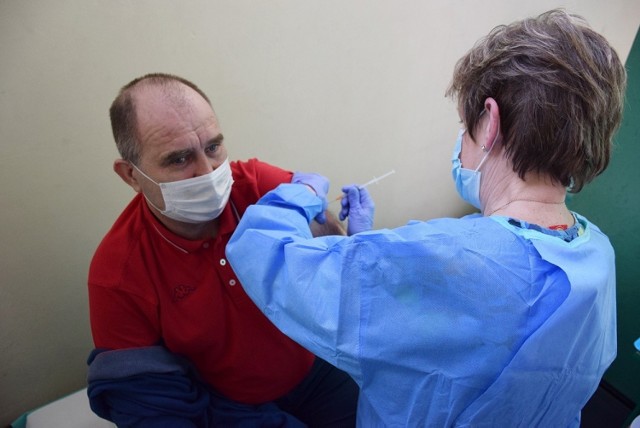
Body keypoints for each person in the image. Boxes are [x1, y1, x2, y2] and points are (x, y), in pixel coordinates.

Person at [226, 9, 627, 427]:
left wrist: (301, 191)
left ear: (489, 121)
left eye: (464, 126)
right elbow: (459, 329)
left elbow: (265, 258)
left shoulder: (450, 258)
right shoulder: (595, 253)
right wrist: (366, 243)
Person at [86, 73, 359, 427]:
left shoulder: (256, 185)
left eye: (213, 147)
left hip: (314, 367)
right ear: (131, 176)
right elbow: (152, 407)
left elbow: (333, 256)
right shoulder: (117, 275)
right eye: (179, 159)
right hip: (225, 405)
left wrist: (344, 237)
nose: (208, 172)